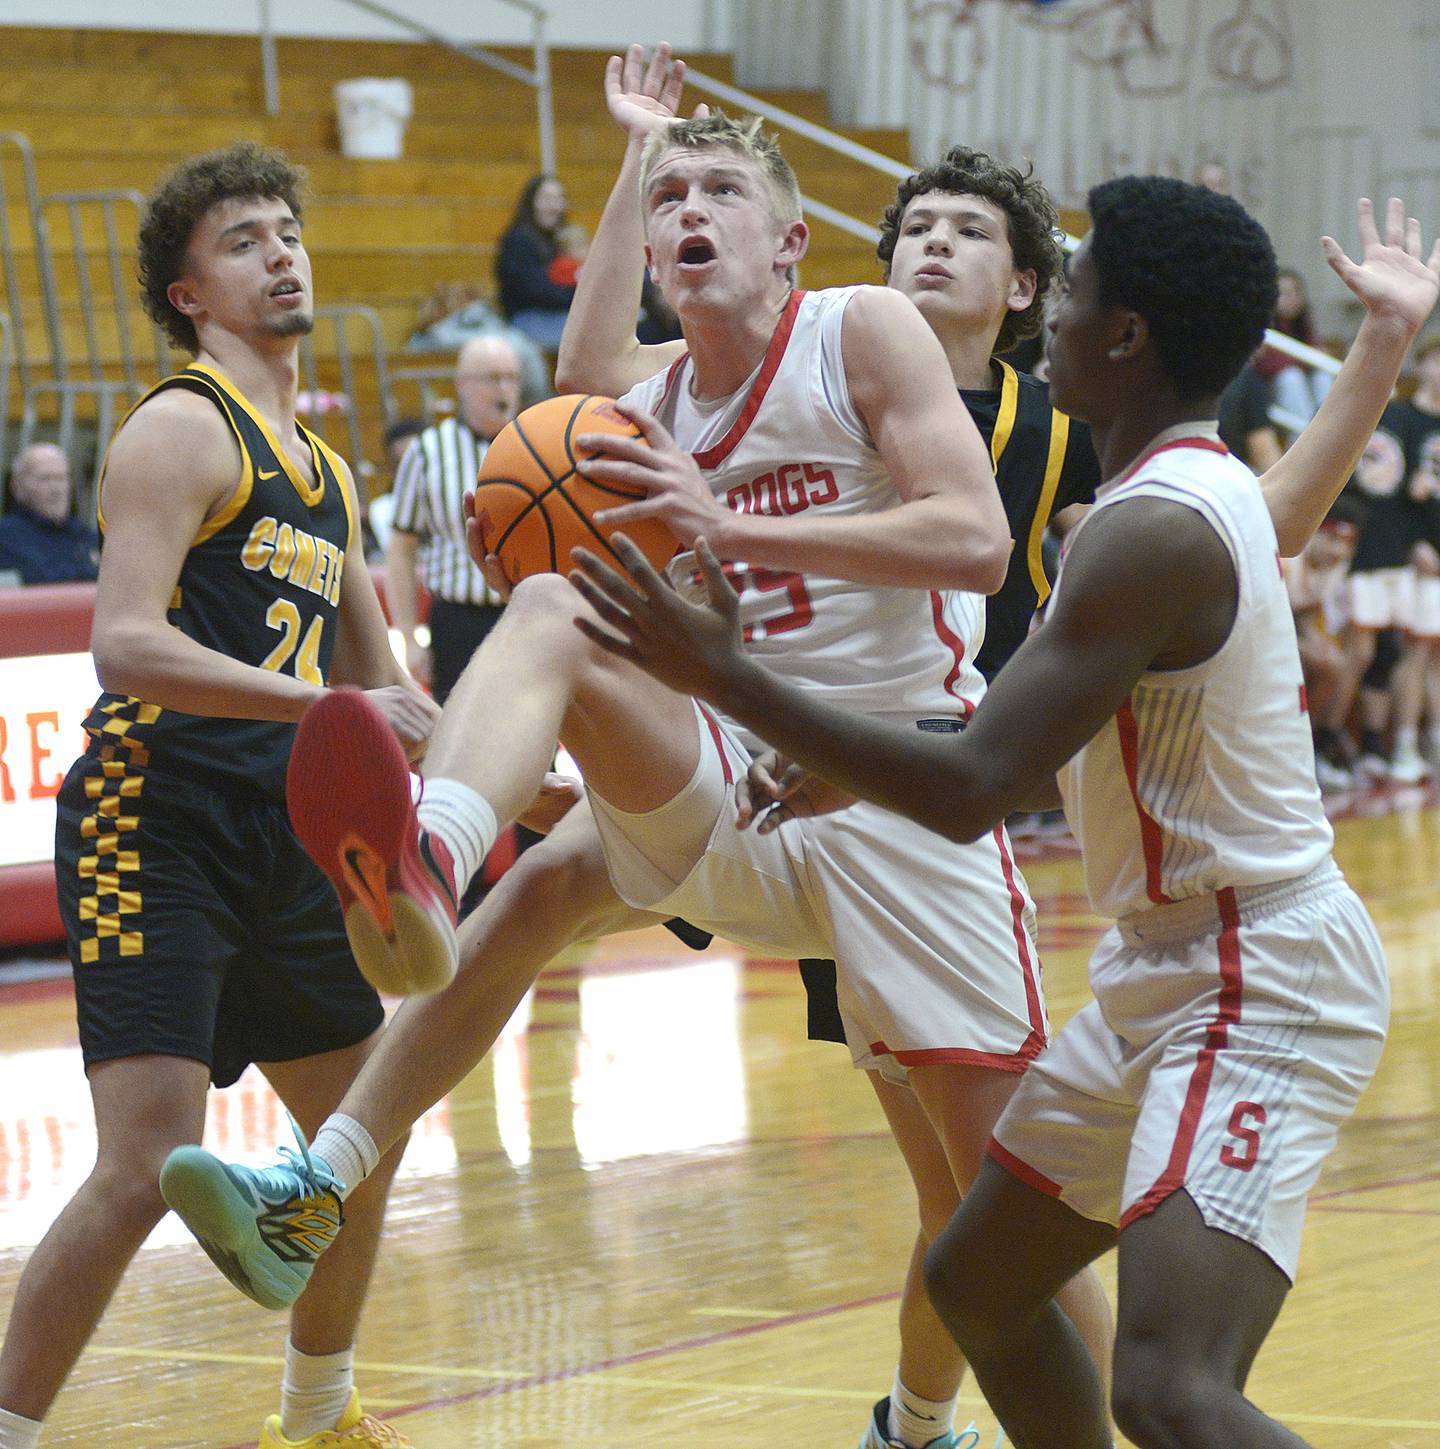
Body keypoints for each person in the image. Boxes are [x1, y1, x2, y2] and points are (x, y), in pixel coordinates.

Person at [160, 66, 1111, 1449]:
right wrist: (640, 155)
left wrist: (728, 521)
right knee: (550, 643)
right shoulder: (643, 414)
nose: (690, 210)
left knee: (989, 1227)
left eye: (725, 191)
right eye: (671, 202)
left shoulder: (865, 330)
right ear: (651, 255)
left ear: (791, 242)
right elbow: (578, 373)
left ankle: (926, 1425)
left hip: (897, 794)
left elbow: (967, 535)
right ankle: (424, 866)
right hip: (736, 784)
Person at [566, 184, 1439, 1449]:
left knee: (1168, 1387)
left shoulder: (1153, 531)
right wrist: (863, 761)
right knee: (976, 1281)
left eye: (1072, 295)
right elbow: (1027, 753)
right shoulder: (1187, 492)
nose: (1054, 320)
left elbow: (974, 789)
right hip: (1171, 968)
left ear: (1126, 336)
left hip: (1262, 975)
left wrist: (725, 677)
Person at [0, 141, 439, 1449]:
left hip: (291, 836)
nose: (281, 252)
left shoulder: (328, 473)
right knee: (144, 1169)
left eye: (288, 231)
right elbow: (125, 641)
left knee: (358, 1138)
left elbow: (389, 686)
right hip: (159, 809)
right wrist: (325, 709)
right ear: (189, 293)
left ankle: (316, 1418)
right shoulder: (182, 426)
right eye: (244, 240)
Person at [385, 334, 522, 702]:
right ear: (462, 385)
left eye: (511, 377)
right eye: (492, 378)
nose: (504, 388)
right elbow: (402, 548)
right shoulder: (428, 450)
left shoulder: (536, 444)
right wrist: (410, 638)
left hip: (525, 615)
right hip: (458, 621)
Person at [1283, 493, 1365, 789]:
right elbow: (1288, 614)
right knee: (1323, 662)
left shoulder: (1337, 572)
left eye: (1347, 544)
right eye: (1332, 539)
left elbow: (1319, 621)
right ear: (1313, 532)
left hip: (1298, 644)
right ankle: (1298, 749)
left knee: (1337, 660)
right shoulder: (1288, 560)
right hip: (1268, 645)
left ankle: (1315, 746)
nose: (1339, 551)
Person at [495, 173, 576, 352]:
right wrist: (578, 295)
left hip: (555, 315)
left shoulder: (557, 241)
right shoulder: (519, 240)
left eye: (559, 199)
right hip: (529, 320)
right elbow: (537, 291)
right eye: (547, 199)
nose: (554, 206)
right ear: (531, 202)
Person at [0, 442, 99, 584]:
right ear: (17, 487)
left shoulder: (84, 535)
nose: (55, 488)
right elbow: (40, 578)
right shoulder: (6, 537)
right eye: (44, 479)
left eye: (61, 478)